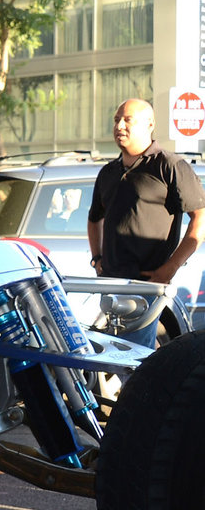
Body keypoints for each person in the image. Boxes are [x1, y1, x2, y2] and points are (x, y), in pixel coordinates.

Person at [88, 98, 205, 345]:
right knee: (111, 354)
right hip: (111, 281)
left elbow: (200, 217)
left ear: (150, 124)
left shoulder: (170, 165)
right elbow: (94, 218)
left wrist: (171, 267)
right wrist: (97, 259)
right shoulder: (108, 172)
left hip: (147, 283)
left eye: (127, 120)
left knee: (136, 356)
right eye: (116, 120)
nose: (120, 125)